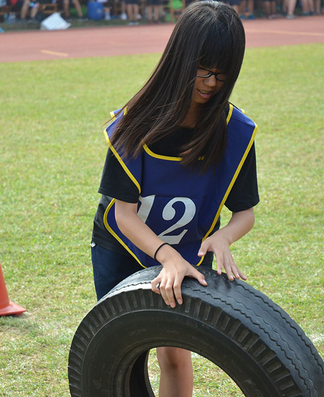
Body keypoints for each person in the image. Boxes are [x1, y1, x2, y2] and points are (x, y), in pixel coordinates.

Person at [90, 1, 258, 395]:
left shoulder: (235, 130)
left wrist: (224, 237)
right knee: (124, 349)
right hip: (123, 248)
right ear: (179, 59)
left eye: (222, 73)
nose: (211, 83)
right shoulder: (133, 124)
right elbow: (123, 217)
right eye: (203, 69)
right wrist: (165, 256)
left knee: (175, 352)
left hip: (186, 250)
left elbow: (244, 213)